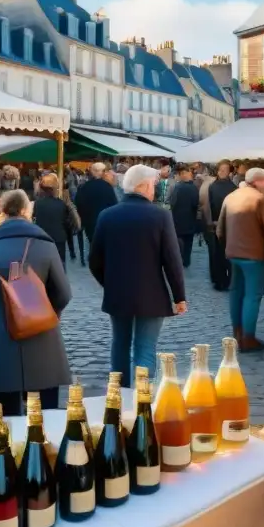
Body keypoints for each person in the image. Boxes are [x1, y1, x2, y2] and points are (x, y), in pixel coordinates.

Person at [0, 189, 72, 416]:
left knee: (4, 418)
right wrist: (44, 313)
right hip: (42, 335)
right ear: (27, 211)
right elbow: (64, 293)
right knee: (47, 416)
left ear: (2, 212)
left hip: (0, 338)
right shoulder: (46, 247)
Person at [89, 165, 186, 386]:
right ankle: (141, 399)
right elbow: (172, 260)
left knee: (120, 343)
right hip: (151, 294)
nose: (154, 189)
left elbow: (95, 259)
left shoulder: (107, 215)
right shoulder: (160, 215)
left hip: (118, 293)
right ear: (143, 186)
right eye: (153, 185)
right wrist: (179, 296)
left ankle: (119, 395)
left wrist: (109, 283)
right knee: (146, 347)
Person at [218, 168, 264, 352]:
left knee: (235, 293)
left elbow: (220, 230)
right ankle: (248, 339)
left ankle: (237, 335)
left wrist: (229, 247)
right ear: (258, 181)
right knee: (252, 296)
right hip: (255, 257)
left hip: (233, 254)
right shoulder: (262, 200)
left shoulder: (231, 197)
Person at [200, 160, 236, 291]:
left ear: (230, 172)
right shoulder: (212, 185)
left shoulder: (233, 187)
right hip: (214, 225)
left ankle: (225, 280)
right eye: (220, 169)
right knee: (216, 254)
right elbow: (207, 205)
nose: (222, 171)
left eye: (225, 169)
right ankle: (218, 280)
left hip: (227, 225)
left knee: (225, 254)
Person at [75, 162, 118, 265]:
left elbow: (78, 203)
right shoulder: (108, 187)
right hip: (105, 221)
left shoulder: (83, 187)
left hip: (89, 221)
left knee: (92, 240)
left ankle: (94, 257)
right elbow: (114, 204)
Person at [32, 172, 78, 266]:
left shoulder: (37, 204)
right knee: (60, 266)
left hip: (42, 239)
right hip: (58, 240)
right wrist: (72, 250)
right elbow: (68, 226)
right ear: (55, 188)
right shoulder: (61, 204)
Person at [169, 164, 200, 268]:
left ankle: (179, 260)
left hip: (177, 220)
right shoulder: (194, 188)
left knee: (178, 242)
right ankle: (186, 261)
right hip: (190, 220)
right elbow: (196, 204)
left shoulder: (177, 187)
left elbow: (172, 203)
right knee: (188, 243)